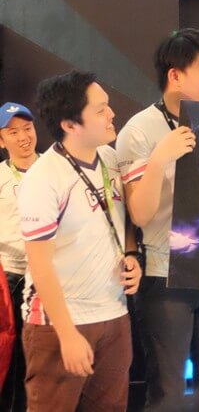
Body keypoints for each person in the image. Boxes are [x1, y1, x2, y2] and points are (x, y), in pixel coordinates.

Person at [116, 28, 199, 406]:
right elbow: (139, 213)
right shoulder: (139, 130)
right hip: (165, 274)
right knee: (167, 391)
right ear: (175, 75)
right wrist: (160, 159)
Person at [17, 71, 142, 411]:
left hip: (114, 312)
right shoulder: (44, 178)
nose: (112, 114)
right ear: (70, 124)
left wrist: (131, 254)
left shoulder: (110, 159)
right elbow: (40, 263)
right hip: (59, 321)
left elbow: (124, 219)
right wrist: (66, 333)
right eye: (100, 110)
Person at [0, 102, 37, 411]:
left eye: (27, 128)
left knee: (39, 362)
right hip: (9, 279)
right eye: (13, 132)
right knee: (11, 361)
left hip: (48, 280)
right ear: (2, 141)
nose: (23, 137)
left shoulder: (55, 168)